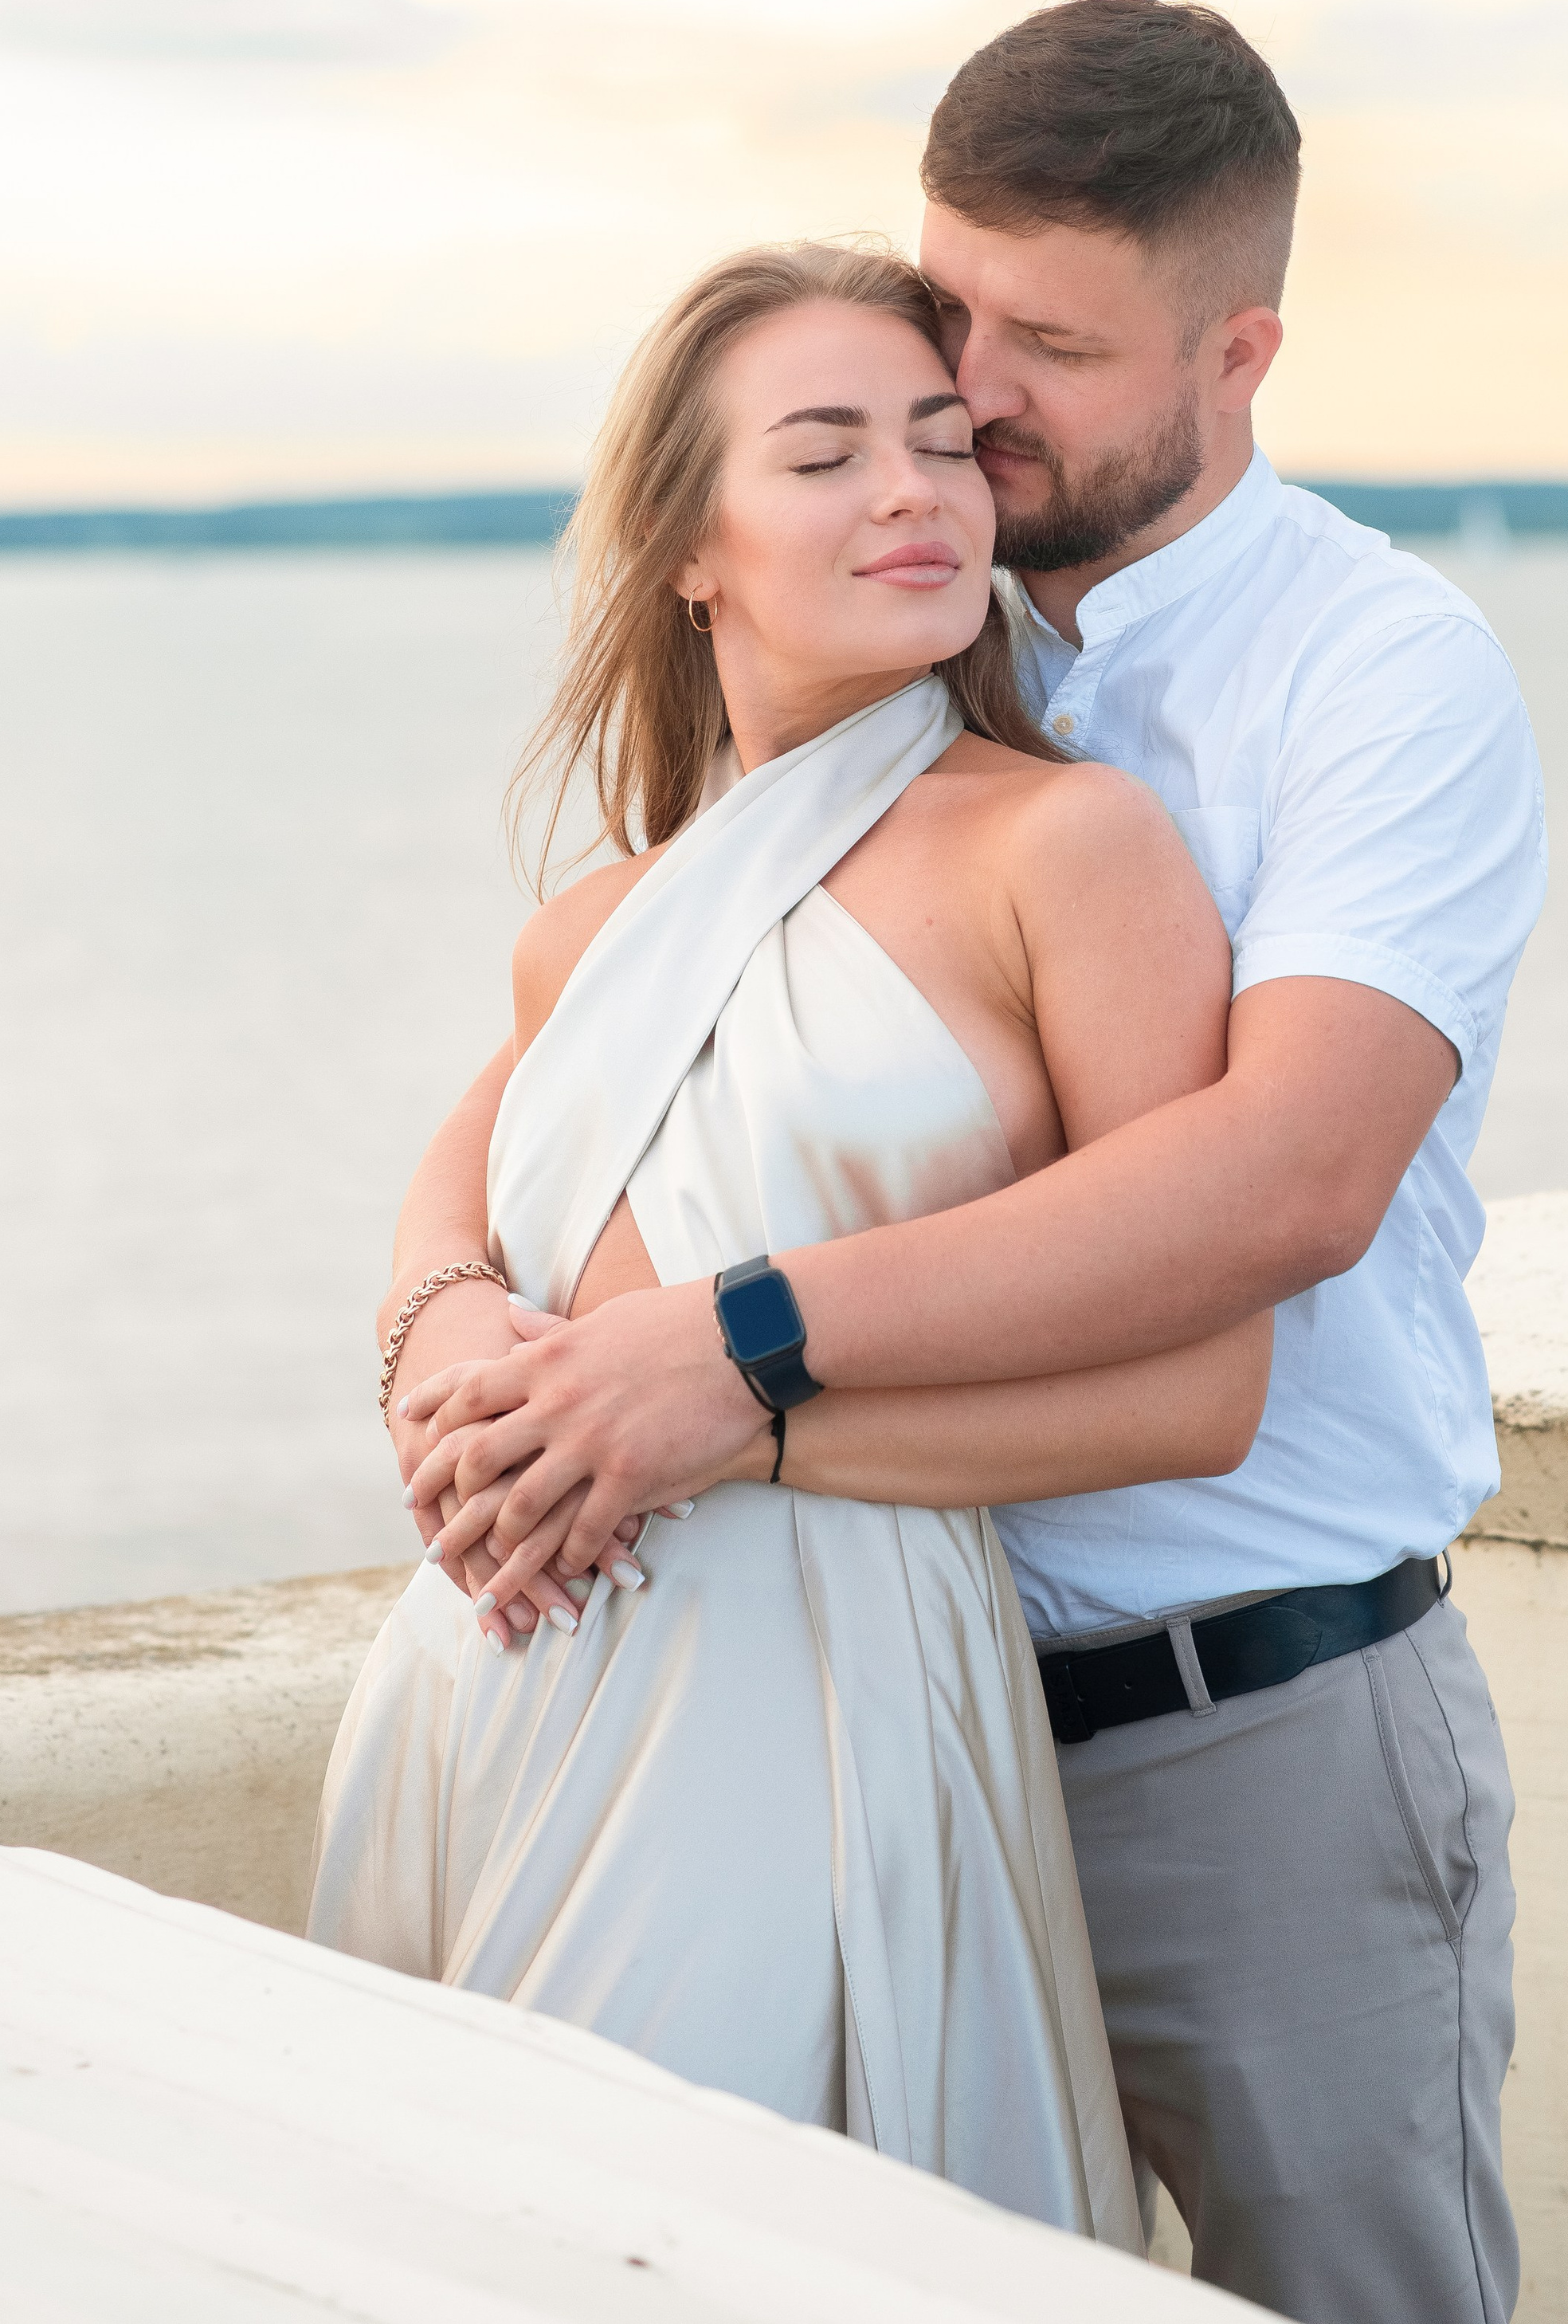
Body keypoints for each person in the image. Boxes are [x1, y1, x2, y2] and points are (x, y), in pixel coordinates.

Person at [400, 0, 1548, 2324]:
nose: (973, 407)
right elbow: (569, 1063)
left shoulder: (1378, 673)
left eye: (1046, 347)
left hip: (1251, 1726)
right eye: (950, 324)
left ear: (1241, 350)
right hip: (871, 1718)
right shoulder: (915, 644)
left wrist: (732, 1357)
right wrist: (442, 1311)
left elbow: (1284, 1187)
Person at [314, 240, 1269, 2248]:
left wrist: (729, 1429)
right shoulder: (589, 929)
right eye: (824, 453)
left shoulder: (1063, 849)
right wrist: (451, 1335)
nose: (913, 494)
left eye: (941, 444)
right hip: (497, 1688)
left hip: (831, 1703)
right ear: (689, 541)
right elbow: (455, 1244)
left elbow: (1202, 1385)